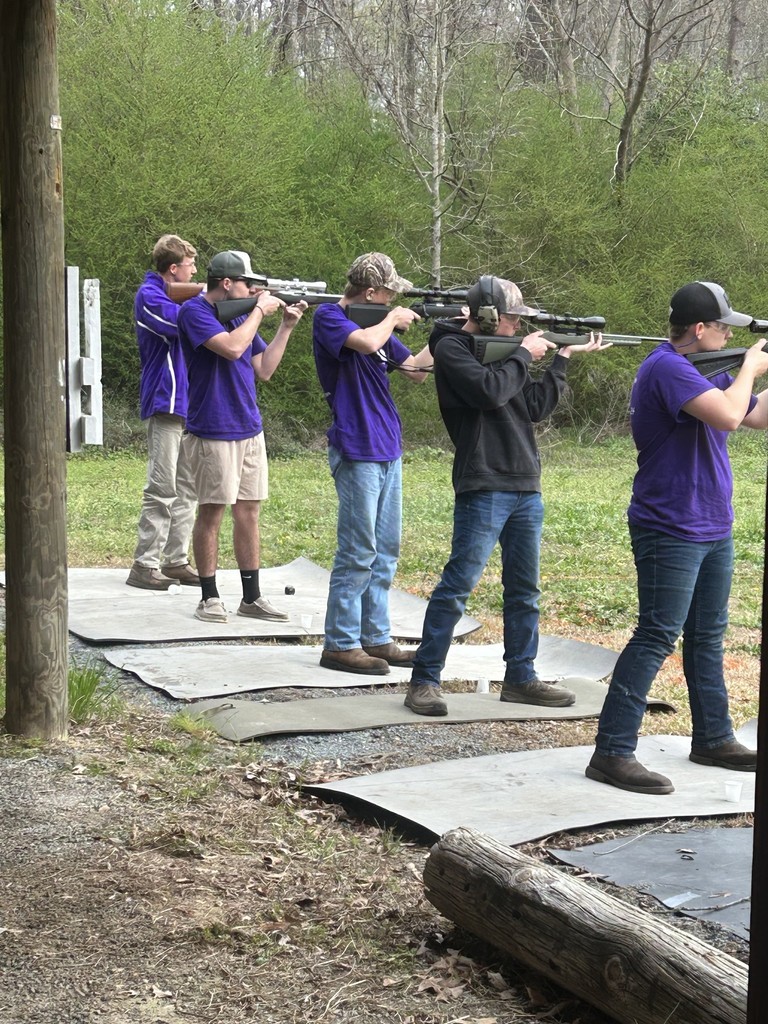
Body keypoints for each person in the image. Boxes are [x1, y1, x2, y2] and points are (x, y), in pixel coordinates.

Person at [586, 281, 768, 795]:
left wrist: (758, 374)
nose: (728, 335)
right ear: (700, 329)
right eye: (723, 326)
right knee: (656, 635)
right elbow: (731, 414)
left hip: (710, 521)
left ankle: (713, 738)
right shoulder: (666, 368)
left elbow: (754, 416)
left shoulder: (697, 369)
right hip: (670, 524)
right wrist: (752, 367)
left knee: (707, 636)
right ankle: (612, 751)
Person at [404, 275, 609, 716]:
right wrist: (522, 354)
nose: (518, 327)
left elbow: (532, 406)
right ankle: (424, 680)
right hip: (483, 482)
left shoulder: (507, 355)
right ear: (489, 316)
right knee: (457, 586)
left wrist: (561, 359)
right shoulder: (452, 349)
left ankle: (521, 677)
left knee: (524, 590)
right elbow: (488, 391)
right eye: (513, 319)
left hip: (524, 484)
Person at [313, 252, 434, 675]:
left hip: (387, 446)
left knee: (385, 550)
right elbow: (365, 343)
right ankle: (341, 643)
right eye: (388, 295)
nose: (390, 302)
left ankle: (375, 636)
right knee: (357, 550)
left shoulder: (376, 326)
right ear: (370, 293)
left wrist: (453, 330)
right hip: (356, 445)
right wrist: (392, 320)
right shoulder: (332, 317)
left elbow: (417, 371)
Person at [177, 250, 307, 623]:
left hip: (248, 426)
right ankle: (209, 597)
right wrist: (258, 312)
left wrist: (285, 326)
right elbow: (233, 349)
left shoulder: (241, 317)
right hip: (213, 426)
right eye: (249, 285)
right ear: (228, 283)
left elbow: (264, 369)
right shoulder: (195, 312)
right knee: (212, 512)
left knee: (248, 511)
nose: (254, 291)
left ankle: (251, 598)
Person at [126, 234, 200, 590]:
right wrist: (209, 301)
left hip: (188, 402)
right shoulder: (150, 295)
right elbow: (179, 324)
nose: (195, 271)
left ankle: (175, 560)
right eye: (191, 266)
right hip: (166, 399)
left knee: (187, 487)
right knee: (162, 486)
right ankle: (144, 564)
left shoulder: (173, 294)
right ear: (174, 269)